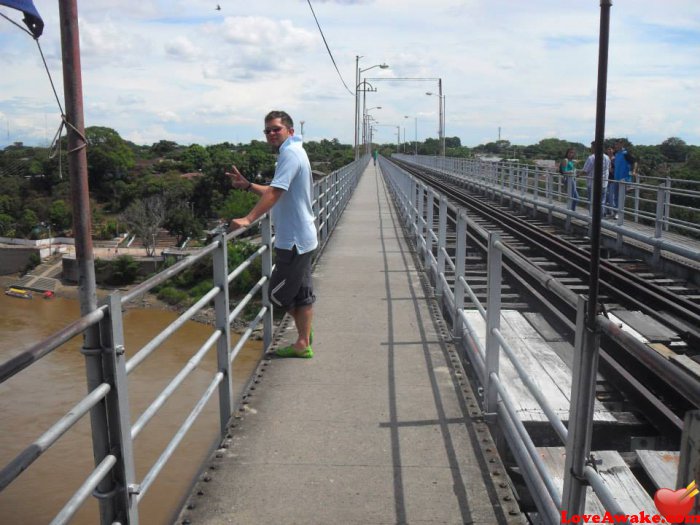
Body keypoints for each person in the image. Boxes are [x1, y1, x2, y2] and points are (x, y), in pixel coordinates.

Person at [227, 110, 317, 358]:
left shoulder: (290, 154)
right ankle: (303, 341)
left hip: (294, 241)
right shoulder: (295, 151)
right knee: (302, 294)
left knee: (277, 295)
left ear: (290, 130)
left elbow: (275, 192)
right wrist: (247, 185)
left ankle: (304, 335)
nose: (271, 134)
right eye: (267, 130)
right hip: (302, 236)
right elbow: (276, 190)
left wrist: (248, 219)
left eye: (276, 129)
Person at [581, 141, 611, 215]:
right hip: (604, 184)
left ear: (595, 147)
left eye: (592, 147)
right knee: (602, 202)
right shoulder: (607, 157)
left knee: (591, 203)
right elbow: (609, 169)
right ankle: (600, 221)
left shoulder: (592, 157)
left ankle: (592, 220)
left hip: (592, 184)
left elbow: (585, 171)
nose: (591, 149)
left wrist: (578, 175)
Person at [611, 140, 637, 219]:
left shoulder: (626, 153)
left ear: (622, 144)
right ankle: (616, 212)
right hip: (616, 178)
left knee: (621, 196)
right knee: (615, 196)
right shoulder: (616, 154)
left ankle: (619, 213)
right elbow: (616, 164)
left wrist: (634, 171)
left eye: (618, 144)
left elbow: (635, 161)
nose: (616, 146)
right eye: (616, 144)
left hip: (624, 179)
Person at [605, 146, 615, 217]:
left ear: (613, 150)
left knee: (611, 196)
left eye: (611, 149)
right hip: (605, 179)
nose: (609, 150)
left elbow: (613, 170)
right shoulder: (605, 158)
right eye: (608, 149)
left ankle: (611, 211)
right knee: (605, 196)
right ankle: (605, 211)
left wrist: (610, 168)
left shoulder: (615, 159)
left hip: (612, 180)